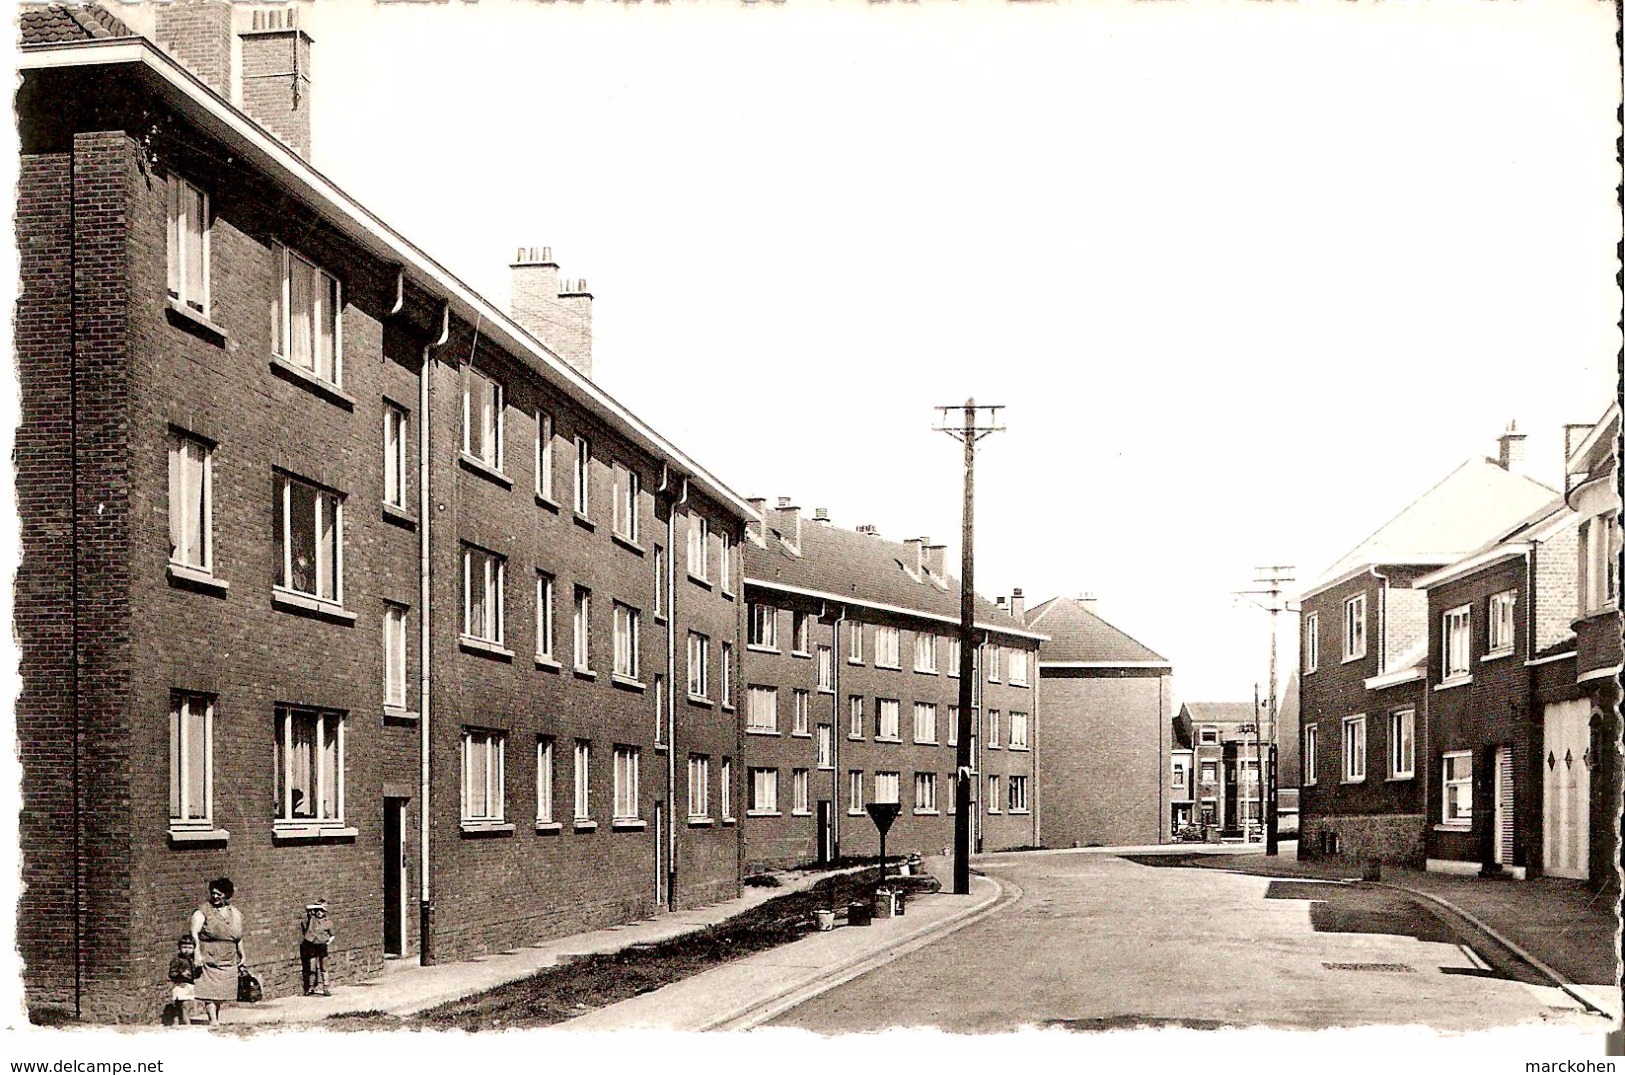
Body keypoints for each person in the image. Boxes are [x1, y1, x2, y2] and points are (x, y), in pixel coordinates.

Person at [189, 877, 245, 1024]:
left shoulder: (235, 913)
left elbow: (238, 936)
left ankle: (216, 1017)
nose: (215, 897)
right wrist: (196, 954)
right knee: (209, 989)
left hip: (228, 957)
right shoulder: (202, 912)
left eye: (219, 894)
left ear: (227, 894)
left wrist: (242, 954)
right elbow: (194, 933)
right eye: (213, 893)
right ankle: (213, 1020)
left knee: (221, 990)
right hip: (209, 955)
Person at [300, 900, 334, 996]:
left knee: (324, 968)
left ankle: (326, 988)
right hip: (312, 946)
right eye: (317, 910)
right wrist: (316, 906)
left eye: (321, 911)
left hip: (322, 946)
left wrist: (328, 942)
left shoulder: (328, 922)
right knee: (312, 968)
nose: (319, 912)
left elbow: (332, 935)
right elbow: (307, 907)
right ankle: (311, 987)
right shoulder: (312, 919)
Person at [166, 934, 202, 1025]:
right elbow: (172, 973)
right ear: (180, 947)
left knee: (183, 1005)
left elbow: (196, 975)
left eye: (190, 948)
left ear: (194, 948)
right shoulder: (177, 959)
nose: (186, 950)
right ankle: (187, 1023)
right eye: (184, 947)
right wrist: (181, 974)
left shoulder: (192, 959)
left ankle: (177, 1021)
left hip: (189, 985)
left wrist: (199, 968)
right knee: (184, 1005)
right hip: (180, 985)